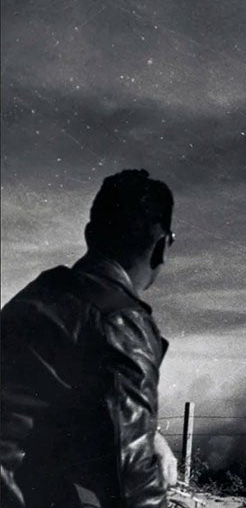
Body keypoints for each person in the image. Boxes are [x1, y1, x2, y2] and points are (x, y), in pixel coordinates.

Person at [1, 169, 179, 507]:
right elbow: (133, 484)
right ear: (162, 247)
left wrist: (150, 436)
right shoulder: (122, 319)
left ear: (88, 234)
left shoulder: (35, 297)